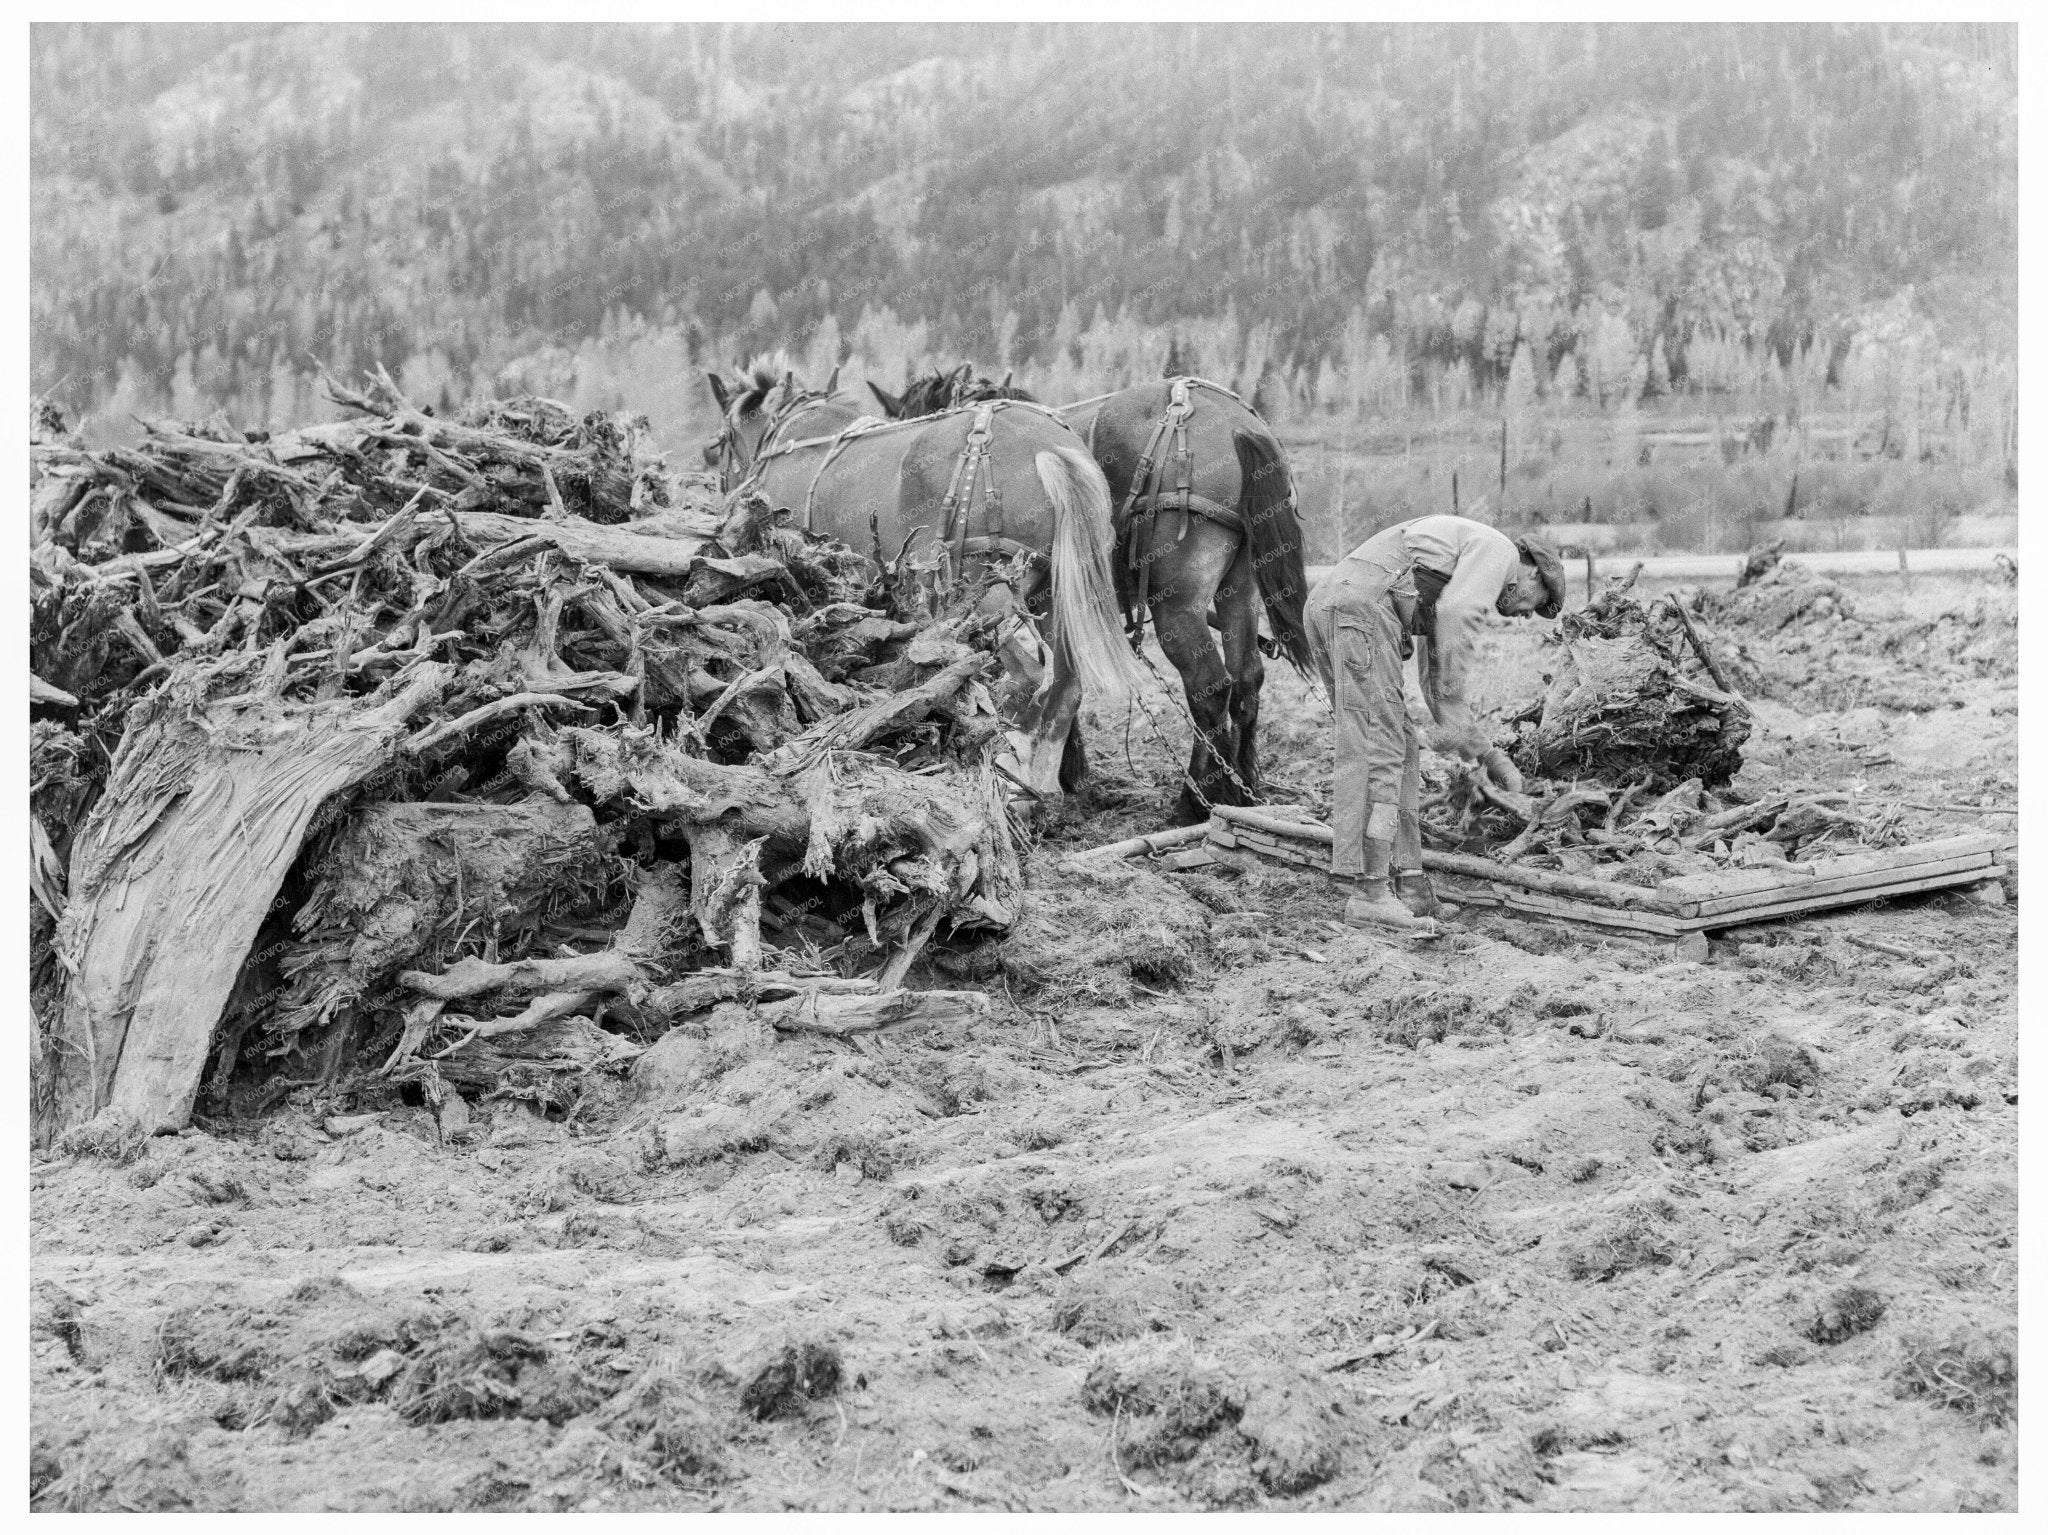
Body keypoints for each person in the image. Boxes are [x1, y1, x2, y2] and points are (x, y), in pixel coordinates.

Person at [1304, 515, 1566, 931]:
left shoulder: (1453, 571)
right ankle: (1370, 892)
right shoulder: (1497, 551)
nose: (1523, 616)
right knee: (1381, 747)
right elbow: (1456, 615)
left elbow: (1438, 687)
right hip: (1360, 609)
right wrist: (1463, 733)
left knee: (1399, 744)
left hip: (1337, 603)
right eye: (1535, 604)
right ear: (1531, 572)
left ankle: (1410, 885)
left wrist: (1490, 758)